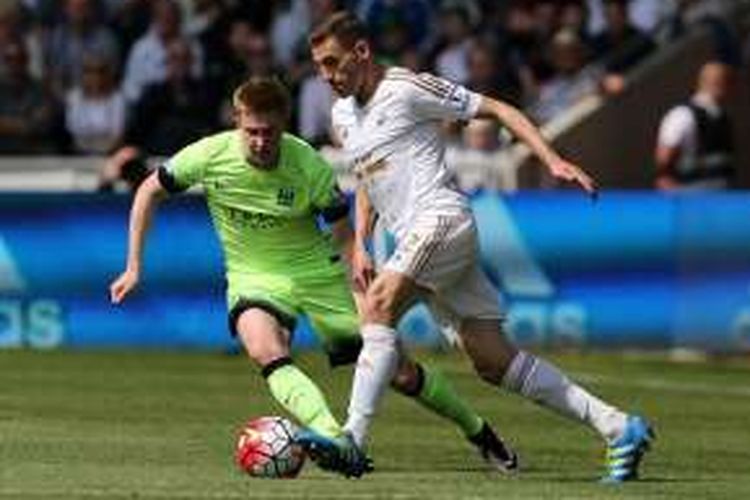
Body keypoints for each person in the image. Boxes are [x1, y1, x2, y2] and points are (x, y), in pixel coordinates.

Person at [307, 11, 654, 483]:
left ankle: (352, 438)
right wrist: (363, 242)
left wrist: (551, 158)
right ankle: (619, 428)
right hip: (414, 239)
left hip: (442, 219)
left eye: (333, 62)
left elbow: (498, 108)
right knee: (493, 362)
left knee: (378, 306)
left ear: (361, 52)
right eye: (320, 67)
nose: (327, 76)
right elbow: (368, 175)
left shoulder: (407, 88)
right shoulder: (342, 115)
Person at [109, 77, 516, 478]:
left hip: (319, 275)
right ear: (237, 121)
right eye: (251, 131)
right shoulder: (209, 155)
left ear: (284, 124)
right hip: (254, 278)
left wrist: (359, 271)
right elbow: (148, 191)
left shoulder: (308, 165)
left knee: (400, 372)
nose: (260, 141)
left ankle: (477, 429)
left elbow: (342, 235)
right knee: (264, 348)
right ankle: (334, 436)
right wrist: (133, 266)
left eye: (269, 132)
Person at [655, 61, 736, 190]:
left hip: (720, 193)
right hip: (691, 192)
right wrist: (665, 178)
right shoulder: (683, 114)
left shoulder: (721, 116)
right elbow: (664, 155)